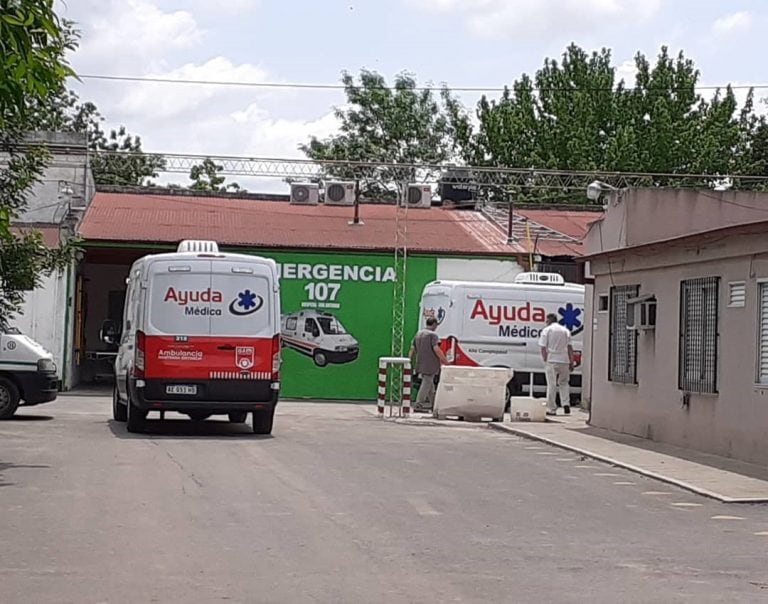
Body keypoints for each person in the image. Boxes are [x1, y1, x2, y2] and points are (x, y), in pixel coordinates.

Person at [538, 313, 574, 416]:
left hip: (552, 359)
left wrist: (545, 359)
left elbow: (543, 347)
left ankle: (551, 408)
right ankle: (566, 404)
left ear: (549, 321)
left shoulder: (547, 330)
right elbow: (570, 348)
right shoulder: (565, 330)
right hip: (564, 360)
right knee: (564, 383)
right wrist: (571, 362)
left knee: (552, 384)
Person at [409, 317, 447, 412]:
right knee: (426, 383)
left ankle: (435, 405)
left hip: (420, 362)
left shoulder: (418, 334)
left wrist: (409, 360)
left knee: (430, 386)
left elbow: (412, 349)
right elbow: (436, 349)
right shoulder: (433, 335)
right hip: (430, 364)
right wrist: (444, 360)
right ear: (434, 324)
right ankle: (419, 404)